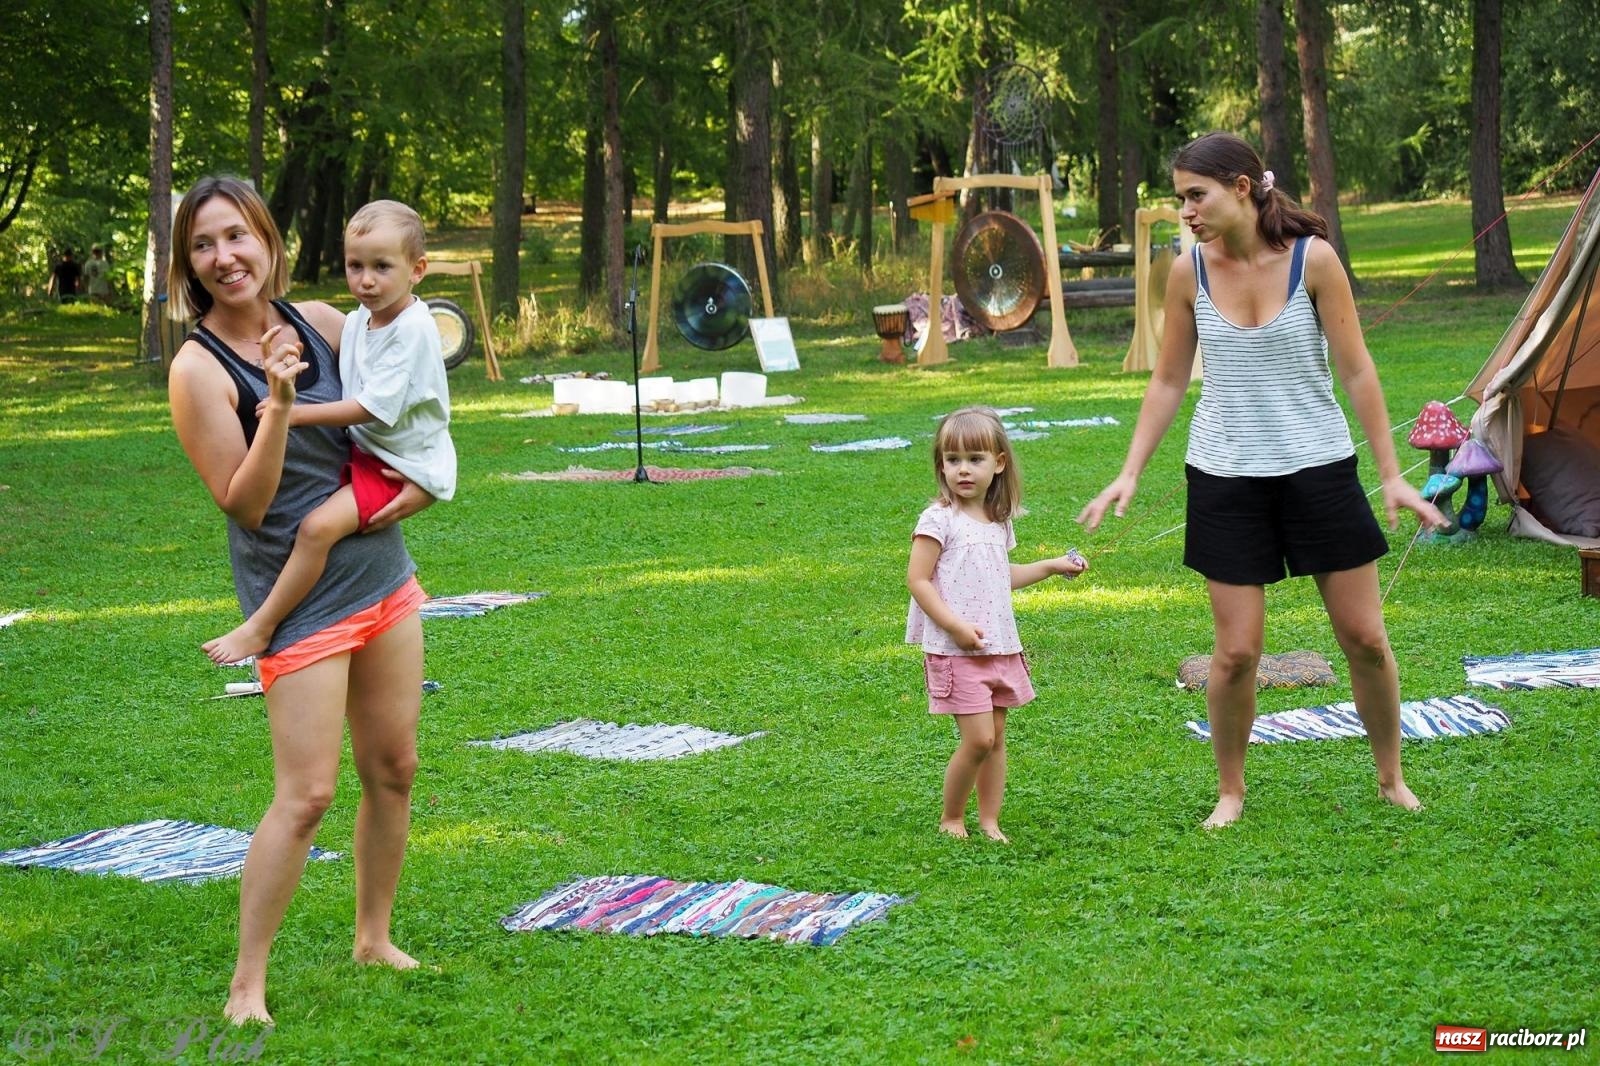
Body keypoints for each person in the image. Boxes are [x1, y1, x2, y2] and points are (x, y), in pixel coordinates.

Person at [1076, 132, 1446, 829]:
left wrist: (1392, 475)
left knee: (1365, 637)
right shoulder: (1189, 271)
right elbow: (1167, 379)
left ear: (1242, 187)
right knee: (1238, 651)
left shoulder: (1315, 260)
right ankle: (1231, 791)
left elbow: (1358, 369)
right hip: (1225, 475)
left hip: (1319, 467)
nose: (1185, 210)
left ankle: (1390, 775)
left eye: (1196, 194)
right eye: (1180, 196)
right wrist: (1128, 472)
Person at [166, 176, 434, 1025]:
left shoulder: (325, 322)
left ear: (267, 239)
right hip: (299, 601)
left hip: (381, 574)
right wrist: (277, 404)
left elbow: (396, 417)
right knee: (306, 794)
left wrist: (426, 484)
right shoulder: (197, 368)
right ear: (189, 263)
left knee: (394, 768)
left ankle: (373, 936)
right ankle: (248, 981)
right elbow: (244, 504)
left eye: (236, 237)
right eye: (204, 245)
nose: (225, 258)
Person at [202, 200, 456, 666]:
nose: (365, 280)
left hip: (395, 465)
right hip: (378, 459)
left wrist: (292, 413)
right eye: (354, 266)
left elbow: (371, 409)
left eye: (382, 267)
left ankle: (261, 624)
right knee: (318, 527)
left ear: (417, 270)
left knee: (317, 529)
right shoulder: (360, 318)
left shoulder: (413, 330)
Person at [907, 406, 1089, 842]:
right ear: (941, 465)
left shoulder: (997, 521)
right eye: (953, 460)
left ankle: (989, 821)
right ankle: (952, 817)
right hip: (958, 648)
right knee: (979, 740)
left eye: (975, 459)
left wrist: (1050, 566)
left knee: (997, 737)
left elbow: (1000, 575)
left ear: (999, 463)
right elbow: (918, 579)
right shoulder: (938, 519)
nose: (963, 470)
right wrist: (953, 626)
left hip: (1000, 645)